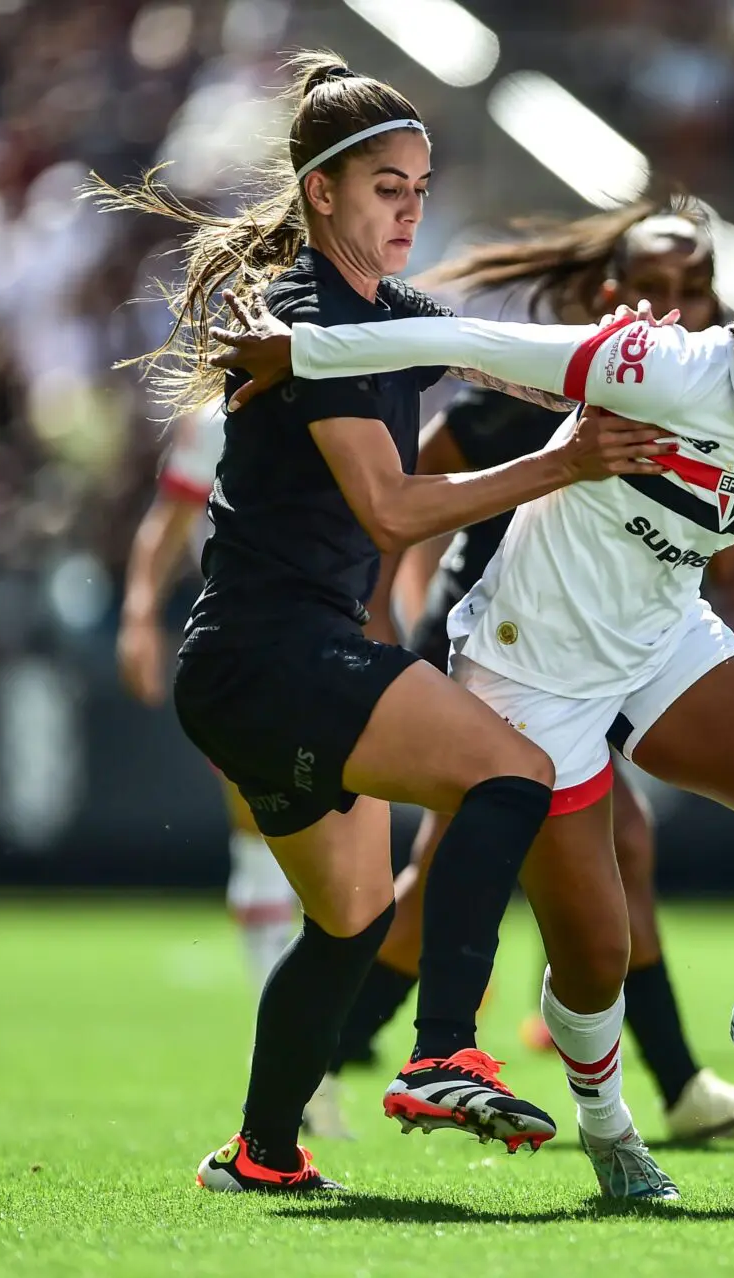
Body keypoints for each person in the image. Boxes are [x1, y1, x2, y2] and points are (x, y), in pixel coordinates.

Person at [212, 225, 734, 1199]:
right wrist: (301, 351)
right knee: (595, 958)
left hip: (660, 637)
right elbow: (474, 343)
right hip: (531, 674)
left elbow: (717, 504)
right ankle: (609, 1133)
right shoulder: (656, 364)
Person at [93, 50, 677, 1195]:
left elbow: (496, 358)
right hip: (277, 652)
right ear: (322, 192)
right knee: (511, 775)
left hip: (249, 669)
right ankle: (444, 1051)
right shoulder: (311, 315)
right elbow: (392, 509)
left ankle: (258, 1155)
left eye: (418, 186)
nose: (410, 208)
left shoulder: (380, 314)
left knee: (352, 923)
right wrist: (561, 464)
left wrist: (621, 361)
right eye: (385, 188)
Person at [324, 200, 734, 1145]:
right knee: (482, 873)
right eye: (649, 289)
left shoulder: (717, 410)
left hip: (608, 662)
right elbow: (407, 507)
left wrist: (696, 673)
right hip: (496, 655)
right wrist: (393, 619)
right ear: (607, 297)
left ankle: (327, 1061)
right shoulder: (514, 400)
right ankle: (323, 1061)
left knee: (588, 859)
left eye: (690, 289)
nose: (672, 305)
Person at [115, 400, 351, 1140]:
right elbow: (170, 521)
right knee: (263, 835)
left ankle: (356, 1039)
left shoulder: (364, 379)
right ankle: (294, 1061)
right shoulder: (218, 418)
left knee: (339, 854)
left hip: (346, 632)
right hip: (253, 644)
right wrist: (138, 613)